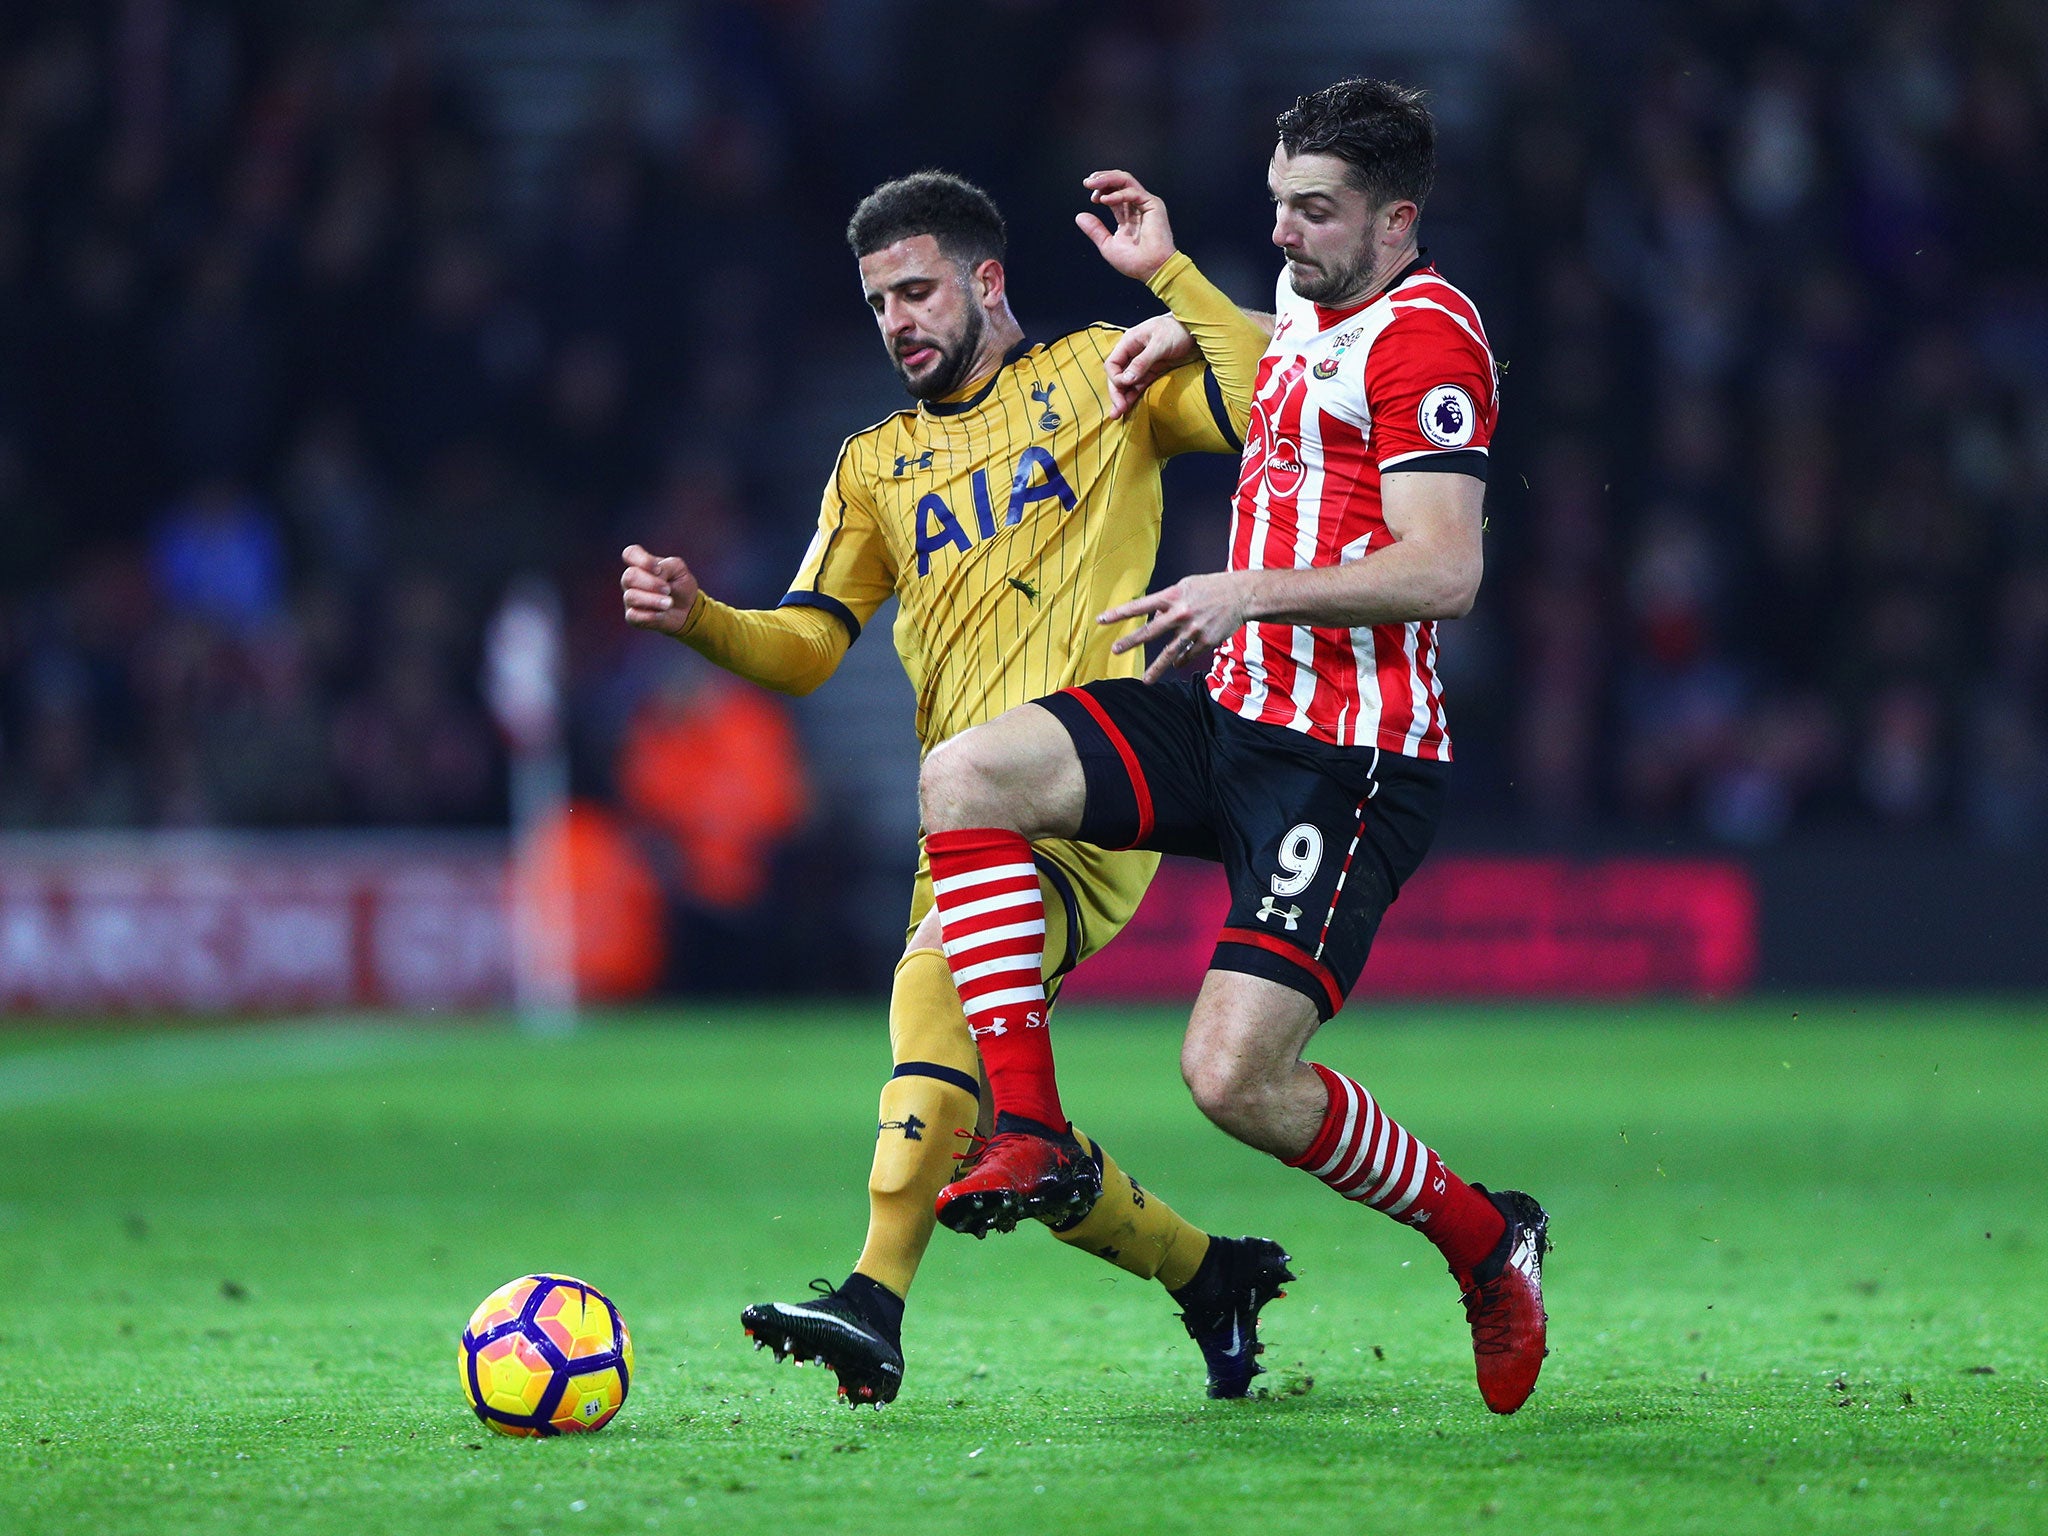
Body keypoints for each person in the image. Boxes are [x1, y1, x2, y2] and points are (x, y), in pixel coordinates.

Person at [913, 80, 1551, 1415]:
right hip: (1231, 707)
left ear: (1398, 222)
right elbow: (1304, 363)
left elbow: (1444, 570)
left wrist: (1240, 590)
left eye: (1316, 214)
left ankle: (1484, 1242)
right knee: (965, 774)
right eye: (1277, 210)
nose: (1290, 236)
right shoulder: (1328, 304)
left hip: (1346, 759)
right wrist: (1176, 303)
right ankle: (1025, 1125)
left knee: (1231, 1078)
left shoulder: (1436, 340)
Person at [620, 171, 1291, 1406]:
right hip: (964, 822)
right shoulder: (870, 464)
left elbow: (1268, 408)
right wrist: (702, 617)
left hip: (1092, 792)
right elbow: (809, 646)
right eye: (878, 302)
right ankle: (1211, 1274)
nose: (896, 322)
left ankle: (873, 1300)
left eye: (917, 290)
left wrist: (1172, 282)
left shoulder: (1100, 373)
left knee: (928, 1007)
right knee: (997, 1135)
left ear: (987, 282)